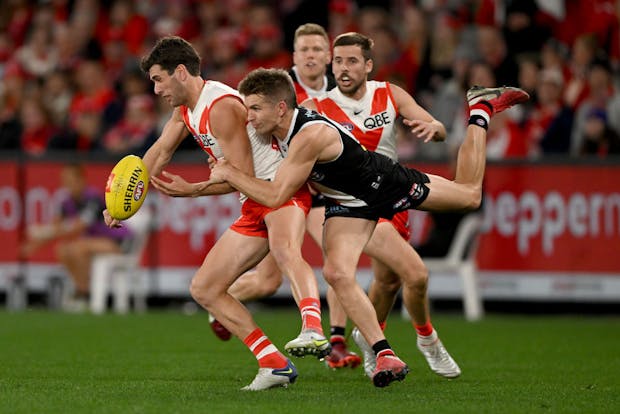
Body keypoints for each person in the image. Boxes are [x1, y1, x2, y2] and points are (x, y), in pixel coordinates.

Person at [206, 67, 528, 387]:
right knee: (336, 273)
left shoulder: (309, 135)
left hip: (383, 184)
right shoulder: (275, 130)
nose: (248, 116)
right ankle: (383, 352)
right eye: (247, 108)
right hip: (348, 206)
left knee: (469, 194)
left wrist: (230, 174)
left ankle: (480, 111)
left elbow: (275, 194)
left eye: (255, 108)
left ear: (280, 108)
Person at [104, 36, 329, 391]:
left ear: (180, 72)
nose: (156, 89)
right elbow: (160, 153)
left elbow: (241, 174)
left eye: (159, 79)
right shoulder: (186, 110)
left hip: (278, 188)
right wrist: (123, 202)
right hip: (254, 200)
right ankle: (273, 363)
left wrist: (193, 190)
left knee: (286, 251)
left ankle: (314, 329)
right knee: (205, 288)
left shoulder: (220, 106)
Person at [205, 22, 361, 369]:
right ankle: (225, 303)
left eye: (318, 50)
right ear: (294, 56)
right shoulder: (279, 88)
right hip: (287, 184)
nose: (311, 55)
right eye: (304, 49)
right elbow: (247, 121)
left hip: (322, 189)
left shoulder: (341, 93)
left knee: (335, 264)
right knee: (266, 280)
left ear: (330, 57)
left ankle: (334, 338)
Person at [305, 32, 460, 379]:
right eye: (339, 61)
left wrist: (432, 127)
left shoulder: (389, 94)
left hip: (395, 196)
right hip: (356, 205)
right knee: (416, 273)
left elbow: (437, 128)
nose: (343, 68)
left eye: (352, 61)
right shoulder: (316, 109)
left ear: (368, 65)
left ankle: (370, 339)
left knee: (388, 283)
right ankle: (427, 339)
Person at [22, 163, 132, 309]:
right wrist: (34, 245)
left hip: (120, 241)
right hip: (95, 243)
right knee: (62, 250)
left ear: (81, 180)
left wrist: (42, 233)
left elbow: (78, 227)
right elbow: (56, 228)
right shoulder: (66, 203)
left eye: (71, 181)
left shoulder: (92, 198)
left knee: (78, 248)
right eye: (65, 182)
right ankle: (83, 291)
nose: (68, 185)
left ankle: (84, 293)